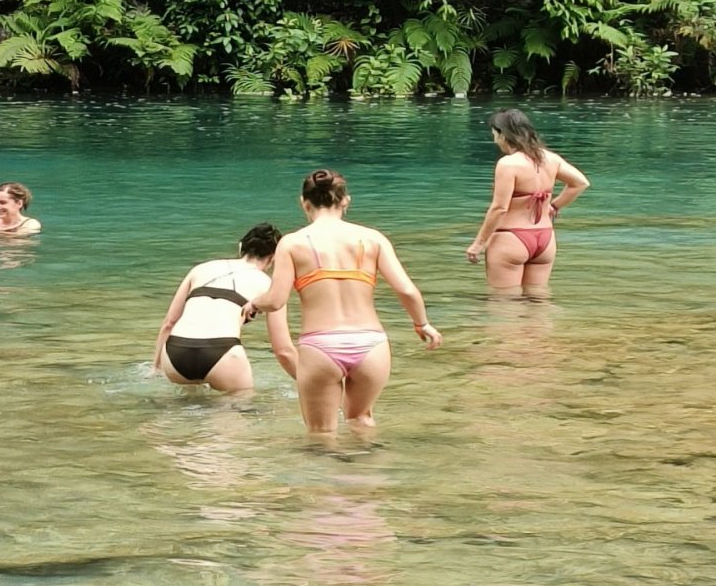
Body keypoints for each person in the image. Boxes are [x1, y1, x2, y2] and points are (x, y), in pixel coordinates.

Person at [246, 168, 441, 436]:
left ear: (304, 203)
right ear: (345, 201)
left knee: (321, 434)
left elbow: (277, 300)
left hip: (321, 346)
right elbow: (407, 290)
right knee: (361, 420)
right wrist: (423, 324)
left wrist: (255, 304)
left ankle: (325, 477)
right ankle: (367, 474)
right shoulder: (373, 238)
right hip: (371, 344)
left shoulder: (292, 244)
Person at [154, 224, 294, 393]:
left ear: (241, 246)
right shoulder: (269, 286)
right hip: (223, 352)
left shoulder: (200, 269)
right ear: (273, 258)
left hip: (175, 352)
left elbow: (169, 323)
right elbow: (283, 349)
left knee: (178, 412)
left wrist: (156, 367)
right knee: (237, 408)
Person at [467, 109, 590, 295]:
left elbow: (499, 208)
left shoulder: (508, 164)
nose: (495, 141)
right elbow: (580, 183)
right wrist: (554, 206)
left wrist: (478, 243)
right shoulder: (550, 158)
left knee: (505, 305)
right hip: (545, 240)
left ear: (503, 134)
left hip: (511, 238)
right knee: (538, 302)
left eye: (495, 135)